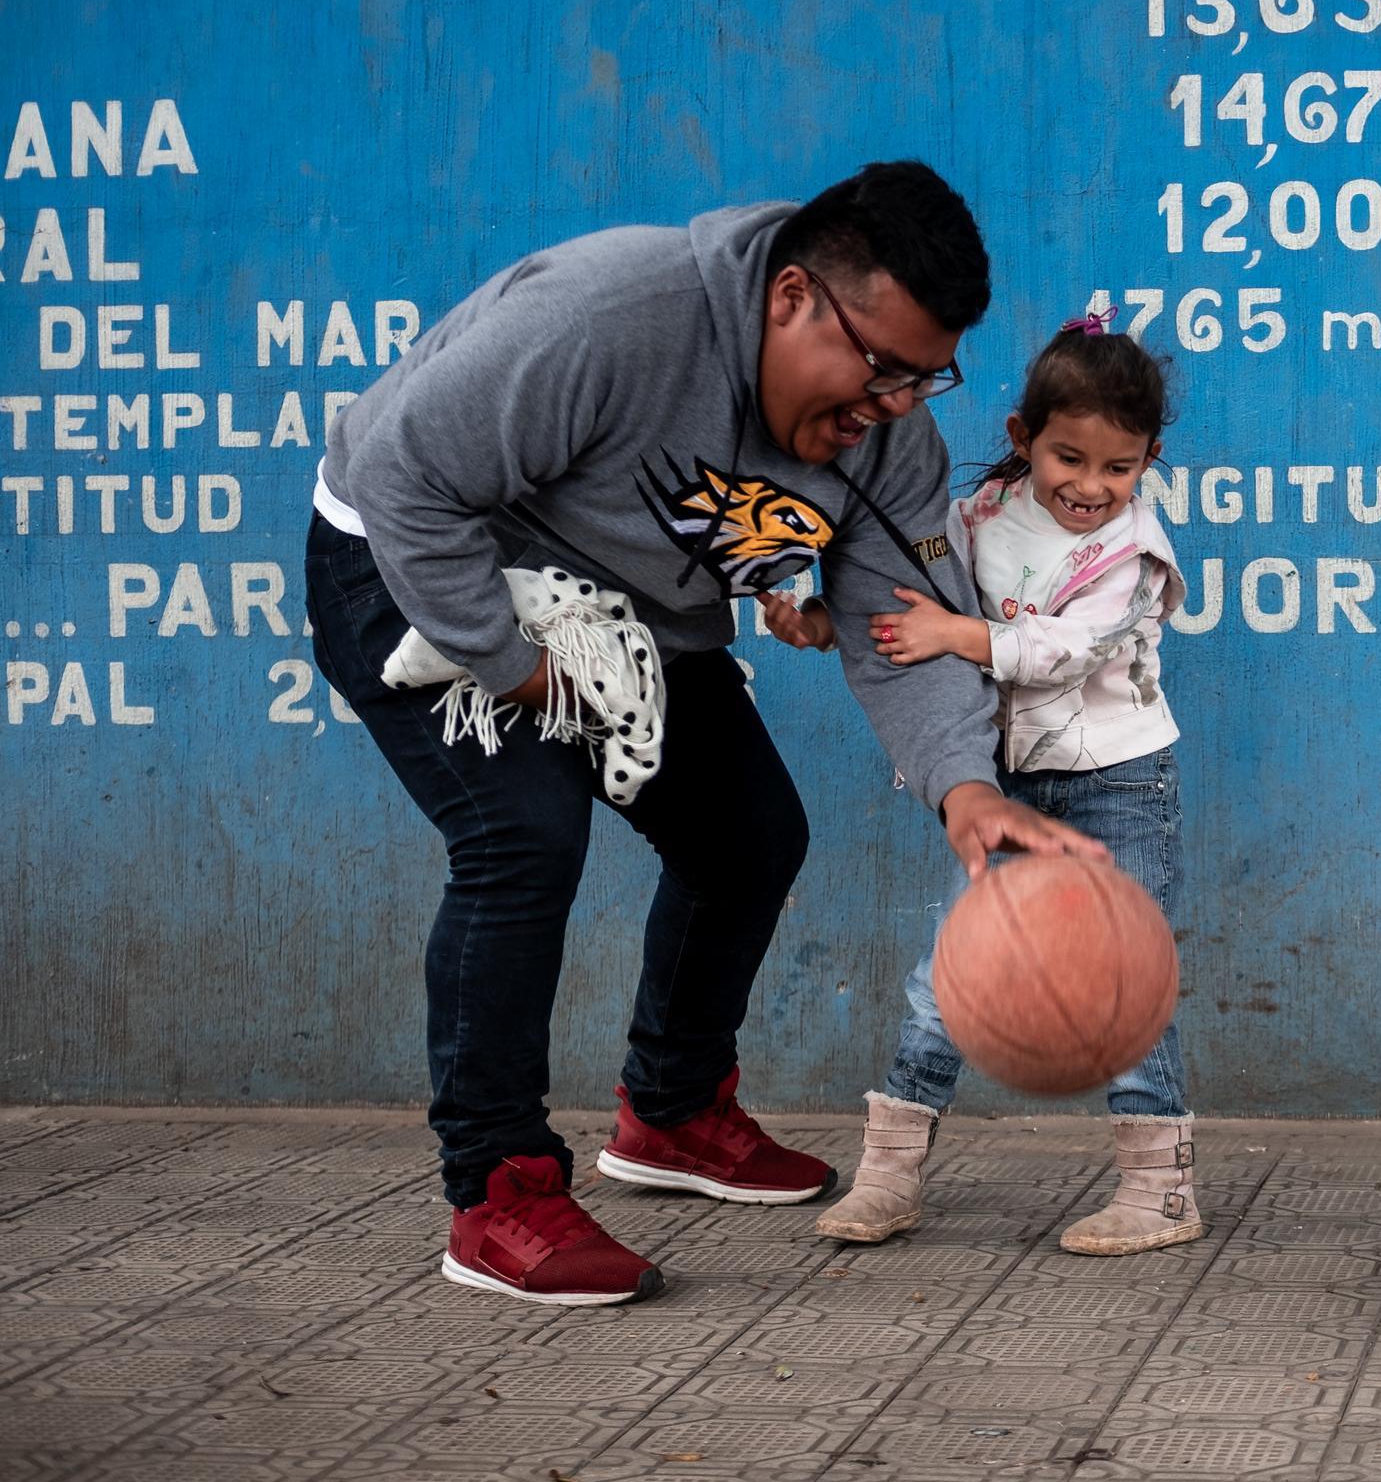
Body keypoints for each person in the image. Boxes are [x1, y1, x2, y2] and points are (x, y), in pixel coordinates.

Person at [305, 162, 1102, 1306]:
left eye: (925, 382)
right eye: (880, 370)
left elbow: (899, 628)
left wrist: (962, 789)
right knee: (524, 834)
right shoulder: (612, 316)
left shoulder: (885, 442)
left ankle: (670, 1111)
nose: (890, 409)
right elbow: (405, 477)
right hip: (414, 563)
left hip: (627, 606)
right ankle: (498, 1192)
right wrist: (521, 670)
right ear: (790, 299)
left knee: (748, 835)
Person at [801, 316, 1202, 1256]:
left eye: (1121, 467)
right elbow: (905, 593)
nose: (1093, 488)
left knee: (1122, 983)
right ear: (1022, 438)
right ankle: (889, 1173)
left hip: (1119, 788)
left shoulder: (1137, 551)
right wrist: (827, 622)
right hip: (1008, 789)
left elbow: (1066, 651)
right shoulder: (978, 514)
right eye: (1070, 458)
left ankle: (1162, 1191)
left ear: (1149, 462)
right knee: (949, 978)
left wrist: (957, 639)